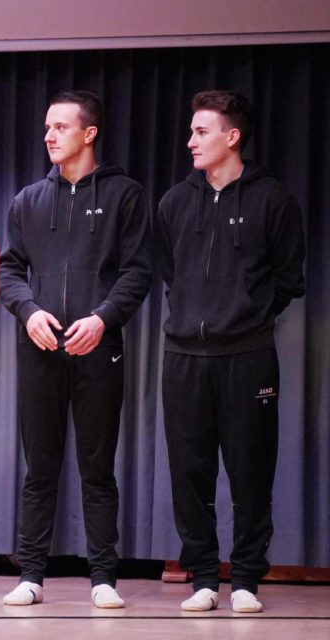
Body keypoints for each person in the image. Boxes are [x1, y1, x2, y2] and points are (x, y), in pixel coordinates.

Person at [0, 91, 151, 609]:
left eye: (60, 127)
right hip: (40, 349)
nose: (49, 135)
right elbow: (10, 269)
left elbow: (137, 271)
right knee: (39, 470)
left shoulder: (125, 195)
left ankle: (103, 577)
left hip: (98, 349)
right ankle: (31, 575)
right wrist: (28, 311)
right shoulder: (28, 200)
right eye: (47, 127)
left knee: (97, 469)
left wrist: (103, 318)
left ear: (89, 133)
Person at [157, 90, 305, 614]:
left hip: (248, 357)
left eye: (202, 132)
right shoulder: (175, 202)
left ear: (232, 136)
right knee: (188, 474)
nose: (191, 141)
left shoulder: (274, 200)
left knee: (250, 472)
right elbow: (170, 272)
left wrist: (246, 315)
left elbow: (288, 279)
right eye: (192, 131)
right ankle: (202, 578)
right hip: (183, 358)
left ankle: (245, 580)